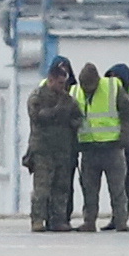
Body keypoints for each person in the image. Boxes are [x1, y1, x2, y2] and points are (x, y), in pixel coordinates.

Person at [75, 61, 129, 231]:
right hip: (89, 149)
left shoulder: (112, 88)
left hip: (112, 148)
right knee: (89, 190)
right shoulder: (76, 92)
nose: (87, 90)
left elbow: (128, 114)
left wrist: (124, 138)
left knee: (117, 189)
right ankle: (89, 222)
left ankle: (121, 222)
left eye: (90, 86)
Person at [25, 63, 81, 231]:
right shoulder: (37, 97)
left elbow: (78, 117)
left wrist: (71, 122)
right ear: (50, 80)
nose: (62, 87)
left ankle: (58, 220)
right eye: (59, 83)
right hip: (43, 150)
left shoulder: (67, 99)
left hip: (62, 150)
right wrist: (58, 111)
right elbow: (38, 117)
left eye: (63, 83)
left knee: (61, 188)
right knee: (42, 188)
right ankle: (38, 220)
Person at [105, 62, 129, 209]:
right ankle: (116, 214)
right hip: (109, 143)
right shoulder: (105, 93)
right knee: (113, 184)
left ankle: (122, 215)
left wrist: (122, 99)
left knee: (125, 182)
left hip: (127, 143)